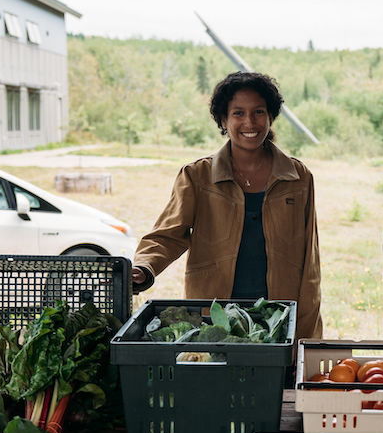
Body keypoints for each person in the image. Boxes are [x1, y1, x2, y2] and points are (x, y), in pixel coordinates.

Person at [131, 70, 322, 341]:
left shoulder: (298, 177)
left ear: (271, 117)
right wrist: (143, 266)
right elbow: (168, 233)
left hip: (278, 316)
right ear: (223, 119)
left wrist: (305, 323)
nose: (249, 122)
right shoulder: (197, 176)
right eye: (238, 113)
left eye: (258, 112)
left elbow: (309, 258)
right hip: (214, 314)